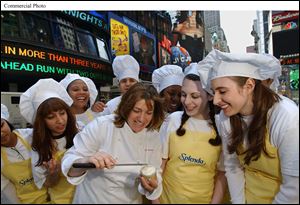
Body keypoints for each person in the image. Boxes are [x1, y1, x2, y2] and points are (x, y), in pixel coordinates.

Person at [207, 50, 299, 203]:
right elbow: (233, 166)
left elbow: (294, 188)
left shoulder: (286, 117)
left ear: (249, 86)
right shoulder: (226, 118)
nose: (216, 100)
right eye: (213, 92)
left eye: (222, 91)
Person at [61, 82, 165, 203]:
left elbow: (155, 172)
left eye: (148, 113)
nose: (141, 119)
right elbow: (69, 165)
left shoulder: (153, 137)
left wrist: (151, 187)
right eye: (137, 110)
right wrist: (86, 160)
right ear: (126, 107)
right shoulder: (102, 126)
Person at [158, 63, 226, 203]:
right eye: (184, 95)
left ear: (210, 96)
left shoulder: (222, 127)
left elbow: (221, 174)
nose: (187, 101)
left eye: (195, 96)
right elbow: (159, 166)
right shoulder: (173, 120)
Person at [19, 78, 78, 204]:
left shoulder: (81, 133)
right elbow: (47, 184)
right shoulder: (39, 147)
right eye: (51, 117)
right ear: (42, 121)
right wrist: (53, 173)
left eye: (62, 113)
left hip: (86, 195)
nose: (60, 121)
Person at [1, 104, 49, 204]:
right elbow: (8, 191)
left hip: (52, 194)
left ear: (7, 122)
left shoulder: (32, 136)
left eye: (1, 125)